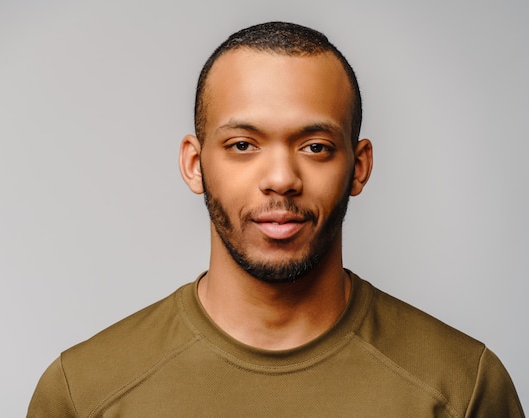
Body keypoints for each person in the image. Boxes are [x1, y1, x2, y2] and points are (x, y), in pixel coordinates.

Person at [27, 22, 524, 417]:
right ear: (195, 164)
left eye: (316, 147)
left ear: (360, 166)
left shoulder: (462, 388)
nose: (282, 179)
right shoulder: (83, 393)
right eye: (243, 145)